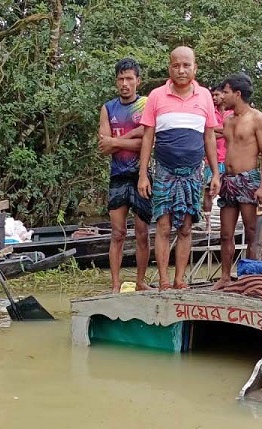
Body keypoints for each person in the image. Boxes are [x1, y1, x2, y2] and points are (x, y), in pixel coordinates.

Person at [136, 46, 221, 290]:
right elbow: (148, 137)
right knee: (163, 225)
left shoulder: (204, 96)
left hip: (194, 172)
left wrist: (215, 173)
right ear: (169, 68)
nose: (181, 70)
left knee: (185, 226)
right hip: (163, 170)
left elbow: (209, 138)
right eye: (176, 65)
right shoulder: (156, 96)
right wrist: (143, 174)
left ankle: (179, 280)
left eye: (186, 65)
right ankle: (163, 280)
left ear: (195, 68)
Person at [97, 57, 151, 292]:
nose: (125, 83)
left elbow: (148, 143)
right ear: (116, 82)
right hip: (117, 175)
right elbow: (104, 147)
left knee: (142, 233)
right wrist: (134, 136)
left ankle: (140, 282)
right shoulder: (108, 108)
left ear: (138, 81)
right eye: (121, 79)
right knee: (117, 233)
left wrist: (118, 140)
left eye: (129, 79)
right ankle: (115, 284)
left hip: (143, 174)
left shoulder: (147, 105)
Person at [214, 74, 262, 287]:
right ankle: (225, 277)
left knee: (251, 231)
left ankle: (250, 277)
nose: (223, 96)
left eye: (226, 92)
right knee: (226, 233)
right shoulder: (228, 120)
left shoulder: (257, 118)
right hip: (228, 180)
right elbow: (213, 136)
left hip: (248, 180)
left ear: (237, 94)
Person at [201, 84, 233, 219]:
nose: (214, 98)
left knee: (227, 192)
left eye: (217, 95)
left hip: (228, 159)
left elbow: (232, 131)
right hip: (211, 159)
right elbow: (205, 132)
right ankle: (207, 223)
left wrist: (215, 131)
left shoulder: (231, 113)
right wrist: (224, 132)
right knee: (208, 191)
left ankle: (224, 223)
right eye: (212, 95)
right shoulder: (209, 112)